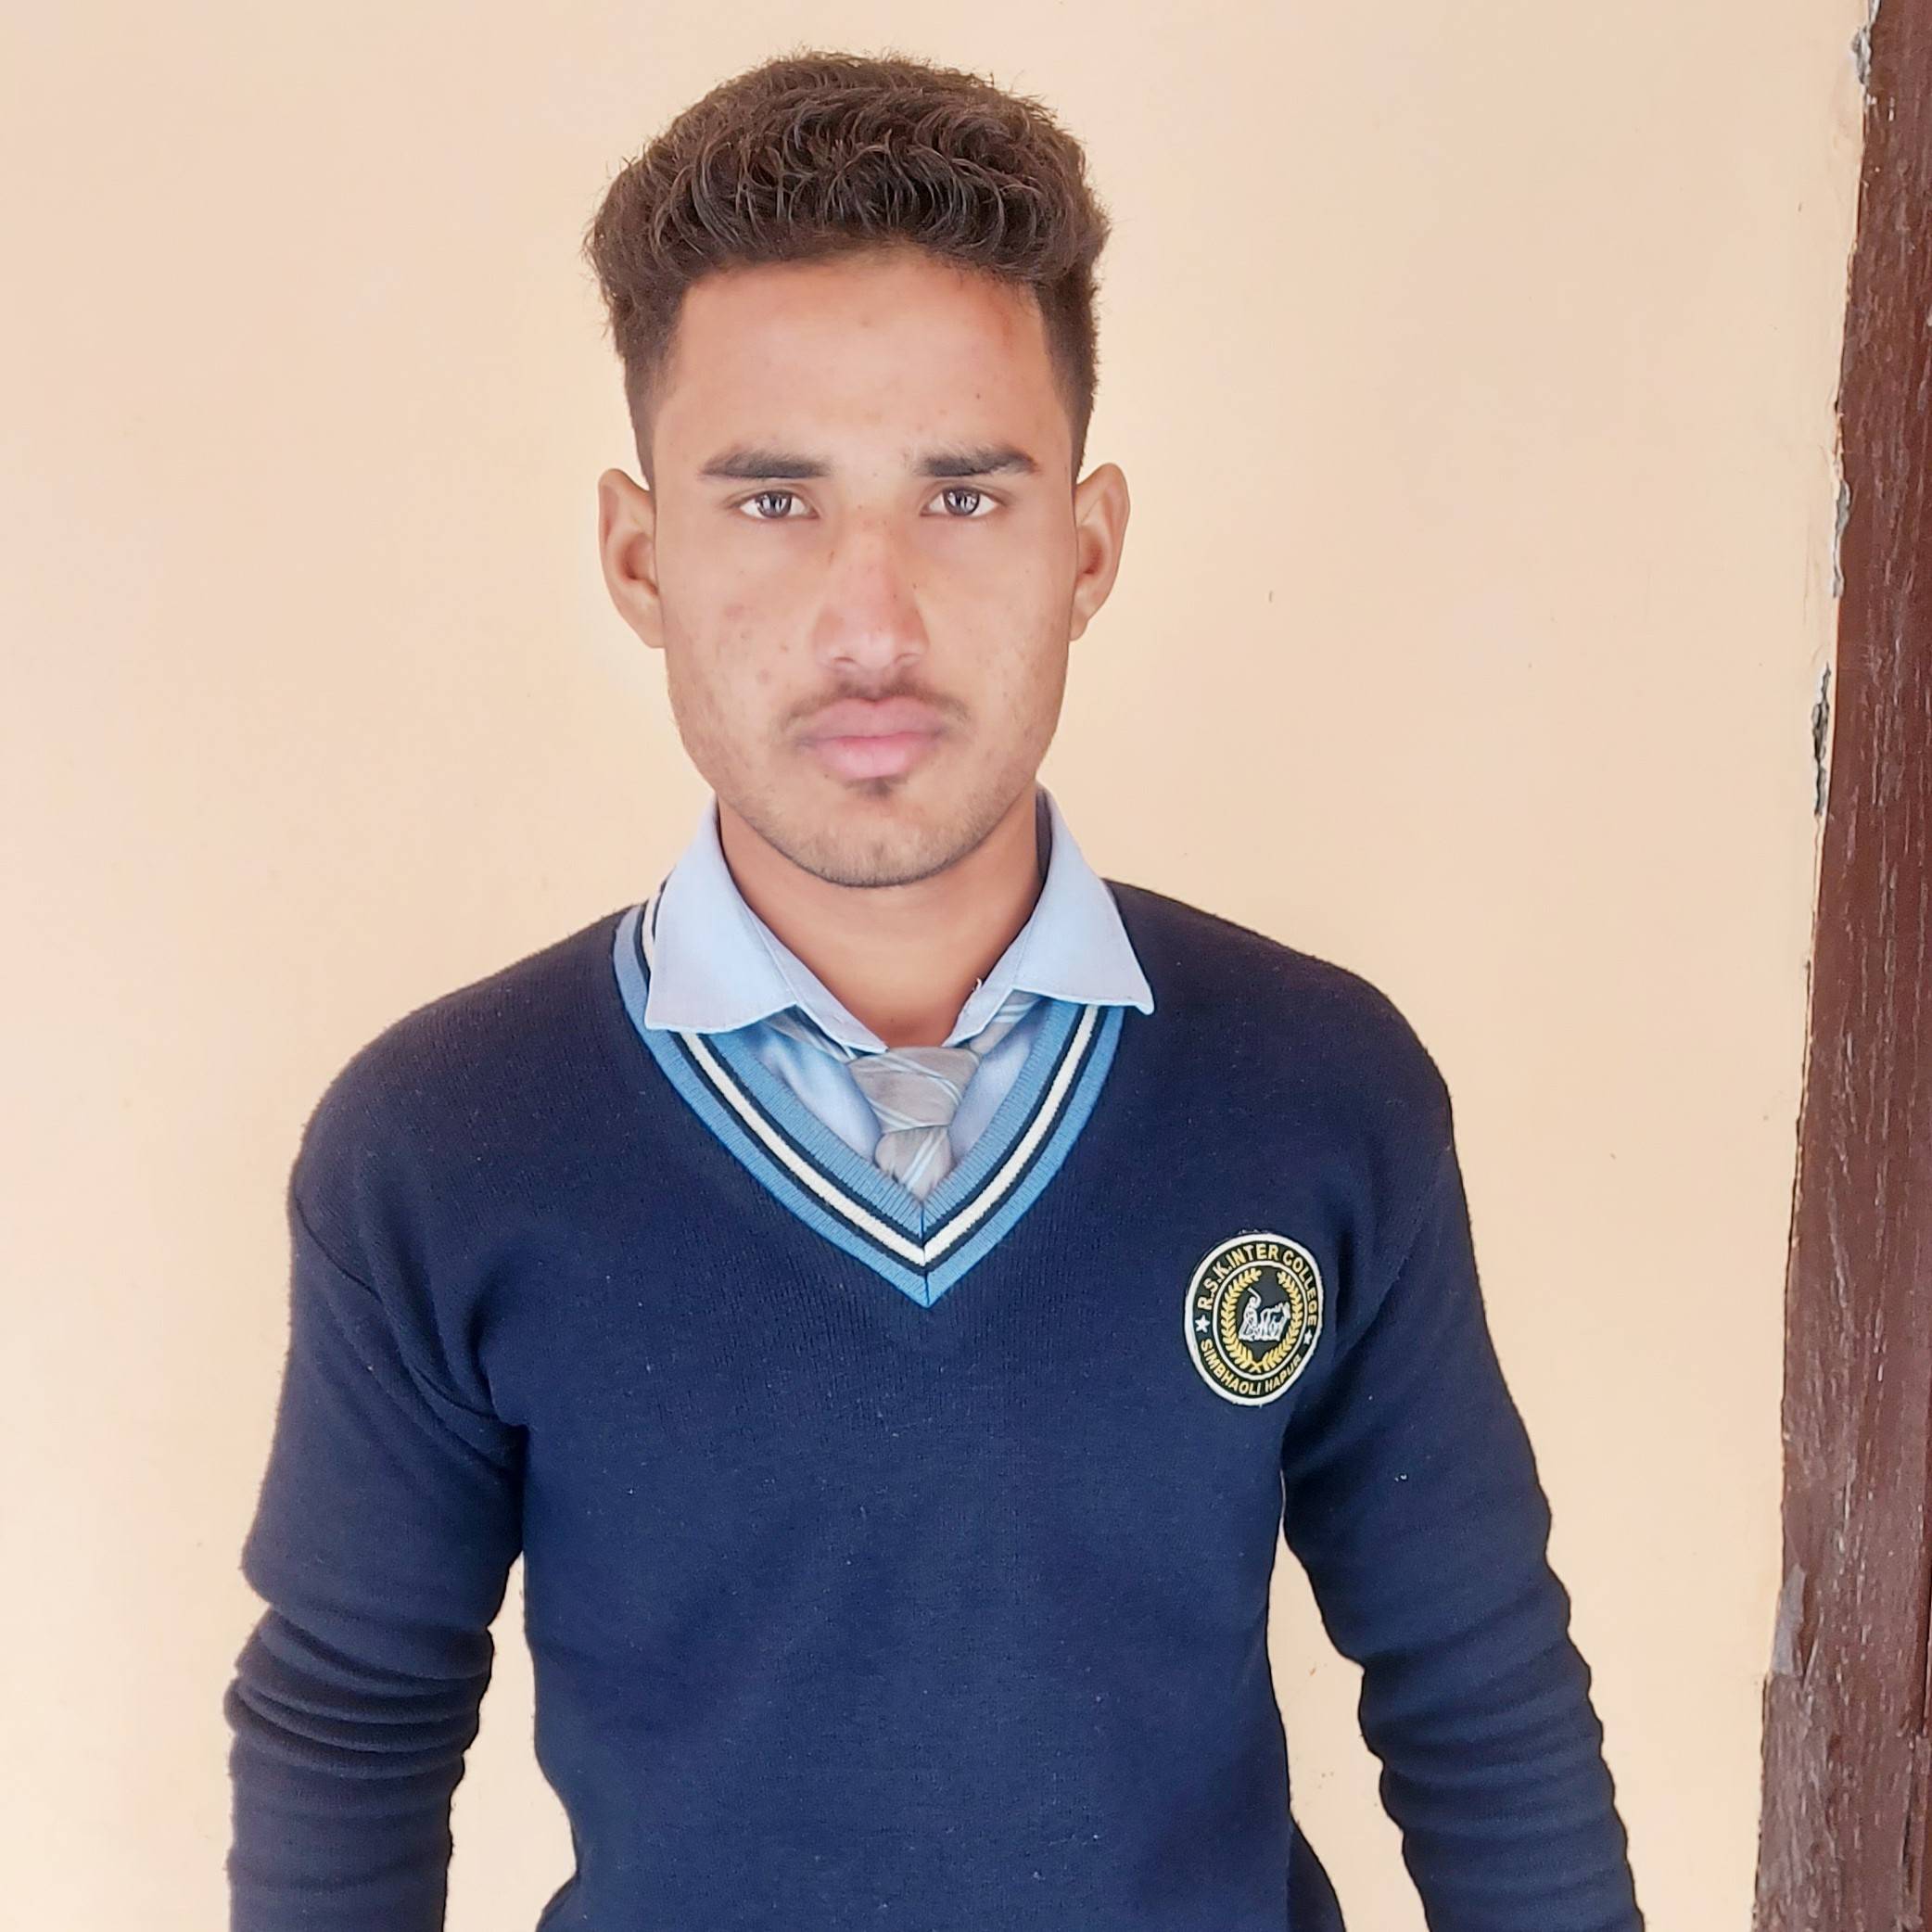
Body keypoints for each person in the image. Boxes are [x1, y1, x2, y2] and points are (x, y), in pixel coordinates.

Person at [222, 47, 1645, 1932]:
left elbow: (1478, 1688)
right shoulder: (439, 1146)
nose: (871, 620)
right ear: (640, 558)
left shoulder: (1320, 1089)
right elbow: (351, 1727)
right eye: (773, 501)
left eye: (964, 497)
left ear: (1089, 546)